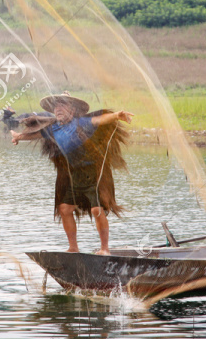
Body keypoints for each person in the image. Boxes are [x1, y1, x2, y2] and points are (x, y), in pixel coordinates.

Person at [11, 92, 133, 255]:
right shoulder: (53, 128)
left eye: (63, 105)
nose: (58, 109)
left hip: (93, 174)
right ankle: (73, 247)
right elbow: (36, 134)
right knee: (64, 209)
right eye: (56, 106)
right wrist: (19, 137)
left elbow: (99, 120)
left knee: (97, 210)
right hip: (73, 176)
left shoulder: (81, 123)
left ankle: (105, 249)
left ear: (73, 110)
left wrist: (116, 115)